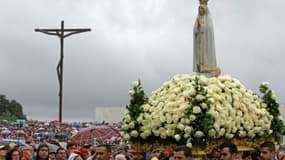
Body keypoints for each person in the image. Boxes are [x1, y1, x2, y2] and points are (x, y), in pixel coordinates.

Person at [193, 1, 220, 77]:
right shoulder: (197, 18)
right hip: (199, 41)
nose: (200, 11)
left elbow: (209, 29)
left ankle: (207, 69)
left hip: (206, 42)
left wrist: (201, 26)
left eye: (201, 9)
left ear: (205, 10)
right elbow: (194, 30)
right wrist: (197, 26)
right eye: (199, 9)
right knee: (199, 56)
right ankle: (200, 69)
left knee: (205, 55)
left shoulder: (208, 19)